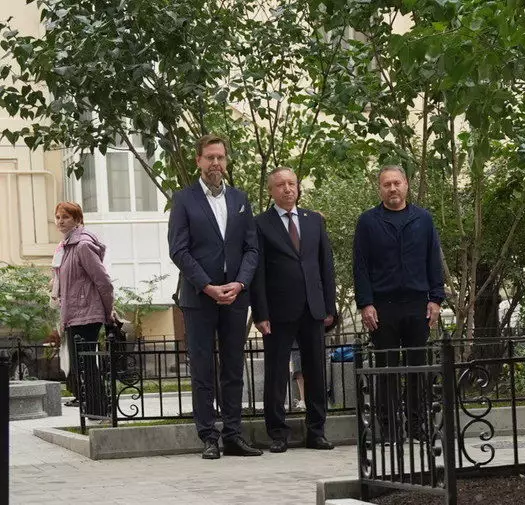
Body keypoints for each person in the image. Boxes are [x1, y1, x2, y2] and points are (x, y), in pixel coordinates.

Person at [167, 134, 261, 460]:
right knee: (203, 369)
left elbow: (251, 248)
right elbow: (178, 250)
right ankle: (209, 436)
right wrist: (207, 285)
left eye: (220, 157)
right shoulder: (184, 200)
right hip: (199, 297)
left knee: (234, 367)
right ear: (198, 161)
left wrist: (240, 284)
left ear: (226, 160)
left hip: (235, 297)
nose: (215, 164)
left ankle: (233, 434)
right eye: (209, 158)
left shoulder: (240, 199)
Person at [353, 165, 446, 439]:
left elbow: (433, 261)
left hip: (418, 305)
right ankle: (390, 428)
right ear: (379, 188)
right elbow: (360, 265)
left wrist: (436, 299)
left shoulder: (423, 219)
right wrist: (365, 303)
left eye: (397, 183)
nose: (392, 188)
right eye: (386, 184)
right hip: (383, 308)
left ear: (406, 185)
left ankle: (418, 426)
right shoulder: (368, 221)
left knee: (418, 368)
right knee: (387, 370)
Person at [250, 166, 337, 453]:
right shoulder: (260, 224)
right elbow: (258, 272)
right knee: (276, 373)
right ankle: (277, 433)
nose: (287, 189)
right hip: (277, 311)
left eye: (292, 184)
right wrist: (260, 313)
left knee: (315, 371)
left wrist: (329, 305)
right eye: (280, 185)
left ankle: (317, 431)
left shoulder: (314, 221)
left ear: (298, 188)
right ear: (271, 191)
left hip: (313, 308)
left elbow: (325, 266)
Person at [50, 201, 115, 405]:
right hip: (73, 314)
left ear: (77, 220)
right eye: (58, 217)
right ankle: (95, 405)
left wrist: (107, 311)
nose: (60, 221)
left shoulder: (83, 245)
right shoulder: (65, 247)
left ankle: (99, 407)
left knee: (86, 362)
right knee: (81, 364)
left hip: (87, 313)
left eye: (66, 217)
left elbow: (103, 281)